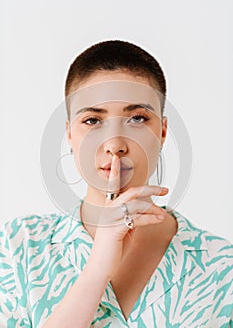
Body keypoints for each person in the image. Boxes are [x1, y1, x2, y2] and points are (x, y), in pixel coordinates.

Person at [0, 40, 232, 328]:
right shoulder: (16, 248)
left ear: (162, 131)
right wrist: (97, 270)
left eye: (137, 118)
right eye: (93, 120)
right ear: (69, 133)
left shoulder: (223, 266)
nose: (115, 145)